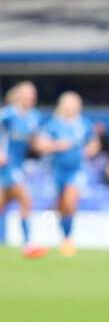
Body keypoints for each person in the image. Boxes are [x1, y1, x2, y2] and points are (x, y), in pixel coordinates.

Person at [33, 91, 99, 257]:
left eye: (74, 104)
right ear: (62, 106)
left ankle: (68, 239)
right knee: (62, 205)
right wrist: (56, 145)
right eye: (68, 104)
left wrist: (90, 150)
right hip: (56, 171)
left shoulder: (85, 124)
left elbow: (94, 144)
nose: (71, 107)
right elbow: (40, 144)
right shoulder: (53, 125)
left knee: (70, 201)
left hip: (76, 170)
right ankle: (65, 238)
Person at [0, 81, 46, 258]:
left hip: (18, 165)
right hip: (7, 165)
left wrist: (52, 146)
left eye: (32, 93)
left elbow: (35, 142)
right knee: (26, 200)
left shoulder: (35, 117)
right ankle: (28, 244)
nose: (30, 97)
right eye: (26, 93)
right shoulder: (7, 115)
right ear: (18, 95)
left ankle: (28, 244)